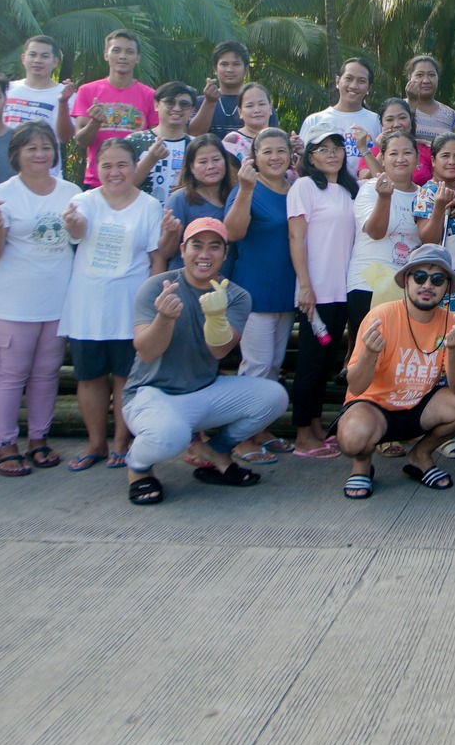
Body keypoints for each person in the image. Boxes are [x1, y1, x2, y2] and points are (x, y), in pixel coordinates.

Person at [121, 218, 290, 505]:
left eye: (214, 247)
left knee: (274, 396)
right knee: (170, 437)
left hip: (203, 391)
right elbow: (147, 352)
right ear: (183, 249)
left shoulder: (236, 295)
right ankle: (138, 468)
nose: (204, 254)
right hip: (151, 394)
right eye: (197, 246)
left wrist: (215, 317)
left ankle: (215, 450)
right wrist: (164, 318)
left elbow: (218, 352)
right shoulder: (156, 288)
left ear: (225, 253)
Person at [61, 139, 178, 472]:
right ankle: (96, 443)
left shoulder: (149, 206)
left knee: (126, 378)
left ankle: (121, 443)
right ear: (97, 169)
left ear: (135, 166)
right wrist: (72, 224)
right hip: (87, 304)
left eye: (122, 164)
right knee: (90, 377)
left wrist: (153, 306)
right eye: (107, 166)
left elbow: (159, 256)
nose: (115, 172)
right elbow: (79, 228)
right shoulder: (82, 201)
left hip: (130, 304)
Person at [335, 245, 455, 500]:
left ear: (447, 287)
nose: (428, 285)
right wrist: (369, 352)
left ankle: (420, 456)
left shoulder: (451, 322)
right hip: (374, 407)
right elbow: (356, 388)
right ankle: (361, 465)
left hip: (418, 407)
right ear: (406, 281)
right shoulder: (381, 316)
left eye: (437, 279)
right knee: (352, 437)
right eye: (420, 277)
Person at [0, 122, 76, 478]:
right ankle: (5, 445)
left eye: (46, 147)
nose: (39, 154)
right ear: (16, 153)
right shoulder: (0, 196)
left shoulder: (71, 192)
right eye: (31, 148)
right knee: (10, 375)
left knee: (47, 374)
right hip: (12, 304)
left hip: (57, 301)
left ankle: (38, 438)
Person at [222, 130, 300, 462]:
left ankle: (261, 429)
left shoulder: (296, 189)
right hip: (253, 291)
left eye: (281, 150)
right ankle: (237, 438)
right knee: (255, 366)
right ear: (254, 155)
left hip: (285, 290)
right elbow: (232, 232)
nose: (275, 157)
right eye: (267, 151)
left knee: (273, 366)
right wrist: (245, 189)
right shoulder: (247, 189)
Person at [287, 132, 360, 457]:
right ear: (310, 156)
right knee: (310, 363)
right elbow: (296, 237)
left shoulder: (348, 189)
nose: (332, 155)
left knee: (327, 362)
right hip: (314, 291)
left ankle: (316, 426)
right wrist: (305, 285)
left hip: (342, 290)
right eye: (323, 150)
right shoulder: (304, 187)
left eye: (337, 149)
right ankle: (303, 434)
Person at [350, 130, 425, 344]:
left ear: (418, 158)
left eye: (407, 153)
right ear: (381, 158)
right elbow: (375, 232)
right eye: (393, 153)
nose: (401, 159)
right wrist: (385, 197)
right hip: (367, 284)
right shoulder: (369, 190)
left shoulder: (423, 195)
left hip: (406, 288)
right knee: (369, 354)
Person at [69, 28, 157, 187]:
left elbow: (156, 139)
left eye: (129, 52)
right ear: (106, 55)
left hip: (136, 184)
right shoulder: (87, 91)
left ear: (137, 58)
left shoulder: (150, 96)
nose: (122, 56)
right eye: (116, 50)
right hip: (96, 183)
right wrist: (94, 123)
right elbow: (81, 141)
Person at [412, 133, 455, 317]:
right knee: (450, 330)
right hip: (448, 274)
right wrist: (440, 206)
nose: (452, 162)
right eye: (445, 156)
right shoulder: (427, 193)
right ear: (433, 160)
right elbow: (428, 238)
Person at [158, 136, 237, 273]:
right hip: (188, 285)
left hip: (225, 283)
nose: (211, 166)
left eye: (216, 160)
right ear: (191, 168)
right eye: (202, 162)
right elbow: (166, 252)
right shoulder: (180, 199)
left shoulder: (237, 196)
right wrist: (171, 233)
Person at [3, 34, 76, 159]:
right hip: (5, 167)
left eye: (44, 56)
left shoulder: (67, 95)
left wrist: (63, 102)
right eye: (32, 55)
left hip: (45, 170)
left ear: (55, 62)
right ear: (23, 58)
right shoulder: (7, 89)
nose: (37, 60)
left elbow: (65, 137)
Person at [298, 55, 383, 155]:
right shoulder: (314, 121)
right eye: (348, 78)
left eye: (361, 81)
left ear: (369, 88)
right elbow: (302, 166)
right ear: (338, 81)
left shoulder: (377, 121)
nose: (353, 86)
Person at [189, 40, 269, 137]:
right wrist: (209, 102)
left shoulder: (261, 104)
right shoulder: (200, 102)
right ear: (215, 69)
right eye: (224, 64)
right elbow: (193, 135)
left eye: (236, 64)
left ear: (246, 69)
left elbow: (272, 137)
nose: (230, 70)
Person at [133, 81, 197, 202]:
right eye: (169, 102)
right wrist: (151, 158)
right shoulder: (136, 141)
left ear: (192, 109)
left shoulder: (196, 146)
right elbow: (124, 184)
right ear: (156, 105)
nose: (177, 108)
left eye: (184, 104)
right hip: (140, 216)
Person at [402, 53, 455, 146]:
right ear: (409, 78)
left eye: (431, 75)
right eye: (419, 75)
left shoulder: (451, 115)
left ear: (438, 78)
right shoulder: (397, 109)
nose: (426, 80)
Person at [218, 81, 276, 169]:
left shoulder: (280, 138)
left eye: (262, 104)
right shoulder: (232, 141)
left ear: (270, 108)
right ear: (240, 112)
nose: (257, 110)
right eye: (249, 106)